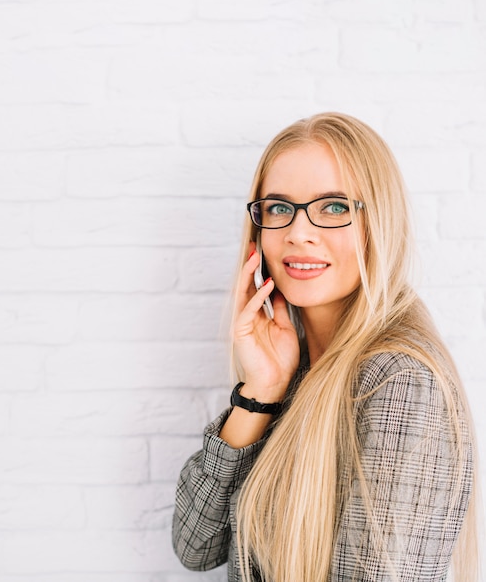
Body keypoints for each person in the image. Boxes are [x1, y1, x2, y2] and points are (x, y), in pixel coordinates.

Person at [172, 113, 478, 582]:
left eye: (333, 207)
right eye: (278, 208)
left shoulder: (400, 382)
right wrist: (262, 391)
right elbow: (195, 547)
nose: (298, 232)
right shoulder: (293, 371)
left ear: (379, 221)